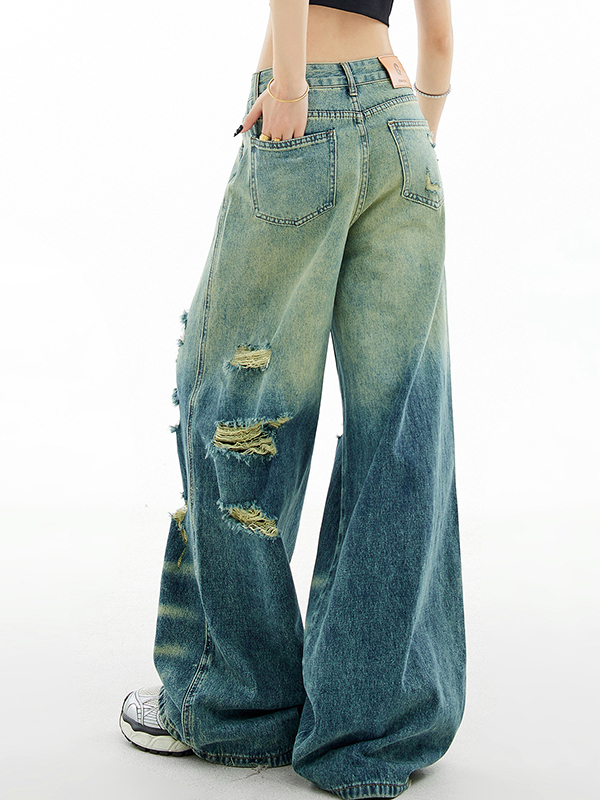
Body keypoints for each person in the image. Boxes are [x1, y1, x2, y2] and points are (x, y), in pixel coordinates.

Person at [119, 1, 466, 798]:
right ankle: (370, 732)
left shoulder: (295, 96)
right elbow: (441, 37)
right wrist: (408, 137)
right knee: (401, 431)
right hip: (404, 124)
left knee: (235, 411)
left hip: (304, 115)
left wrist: (288, 88)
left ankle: (242, 705)